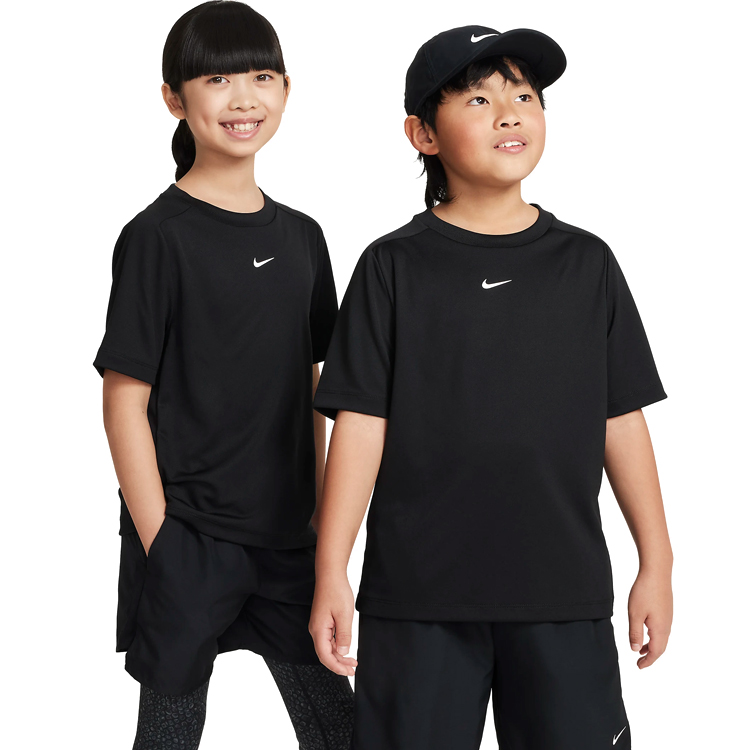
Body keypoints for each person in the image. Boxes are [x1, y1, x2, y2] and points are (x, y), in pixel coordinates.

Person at [309, 25, 673, 750]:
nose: (510, 112)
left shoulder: (587, 264)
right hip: (417, 600)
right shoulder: (391, 267)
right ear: (423, 134)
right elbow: (361, 426)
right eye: (478, 99)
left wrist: (656, 561)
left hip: (562, 594)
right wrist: (331, 570)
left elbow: (621, 419)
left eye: (525, 96)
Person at [93, 3, 353, 748]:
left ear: (287, 89)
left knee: (342, 729)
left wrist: (320, 528)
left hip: (288, 540)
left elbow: (313, 392)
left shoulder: (303, 237)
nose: (244, 98)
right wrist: (164, 544)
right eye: (217, 79)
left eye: (261, 77)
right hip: (189, 537)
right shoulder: (156, 237)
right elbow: (123, 402)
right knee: (170, 734)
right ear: (175, 98)